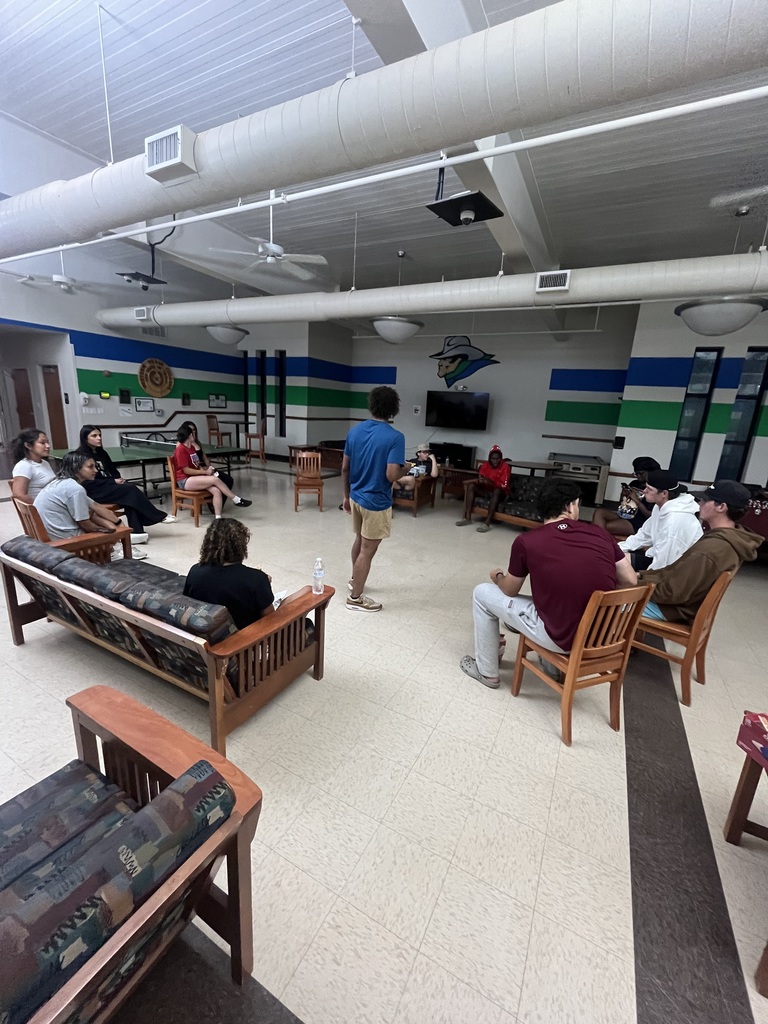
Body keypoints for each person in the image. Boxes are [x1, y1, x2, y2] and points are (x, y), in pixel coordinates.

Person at [461, 478, 637, 688]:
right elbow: (630, 580)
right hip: (602, 636)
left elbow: (509, 590)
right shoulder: (601, 534)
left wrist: (497, 577)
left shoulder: (528, 541)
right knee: (562, 600)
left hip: (559, 638)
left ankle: (487, 671)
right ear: (570, 506)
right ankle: (551, 664)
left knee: (482, 593)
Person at [638, 480, 763, 623]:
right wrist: (641, 576)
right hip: (679, 604)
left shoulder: (712, 548)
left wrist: (636, 583)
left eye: (705, 500)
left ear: (721, 507)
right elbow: (674, 574)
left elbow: (672, 592)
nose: (699, 504)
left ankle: (617, 640)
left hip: (673, 609)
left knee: (611, 601)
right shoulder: (729, 538)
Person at [342, 385, 406, 612]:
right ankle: (356, 598)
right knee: (368, 550)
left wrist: (346, 496)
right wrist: (405, 468)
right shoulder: (395, 437)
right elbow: (392, 474)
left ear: (372, 405)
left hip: (357, 497)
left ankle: (354, 580)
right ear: (393, 410)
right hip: (376, 503)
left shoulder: (354, 432)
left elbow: (345, 468)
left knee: (359, 541)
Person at [33, 452, 146, 559]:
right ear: (76, 468)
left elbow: (95, 505)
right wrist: (112, 533)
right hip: (64, 540)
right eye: (90, 467)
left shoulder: (60, 483)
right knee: (99, 524)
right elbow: (85, 524)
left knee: (93, 514)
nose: (96, 470)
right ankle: (116, 548)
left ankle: (120, 541)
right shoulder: (75, 489)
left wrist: (118, 523)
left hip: (51, 535)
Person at [76, 426, 176, 541]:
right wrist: (112, 481)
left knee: (129, 499)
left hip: (109, 486)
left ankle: (137, 533)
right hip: (95, 490)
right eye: (94, 436)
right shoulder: (81, 456)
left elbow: (113, 471)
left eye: (100, 435)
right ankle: (157, 516)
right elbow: (88, 481)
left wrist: (118, 480)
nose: (99, 438)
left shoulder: (102, 453)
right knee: (130, 490)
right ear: (85, 438)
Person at [183, 519, 274, 629]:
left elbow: (189, 604)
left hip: (209, 637)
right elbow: (271, 621)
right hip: (246, 641)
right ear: (241, 546)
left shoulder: (195, 571)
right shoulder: (256, 579)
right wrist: (263, 586)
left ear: (208, 543)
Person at [618, 469, 702, 570]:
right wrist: (617, 548)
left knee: (617, 562)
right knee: (612, 556)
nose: (644, 491)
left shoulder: (675, 520)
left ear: (664, 493)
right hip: (658, 558)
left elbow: (665, 564)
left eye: (649, 489)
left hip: (677, 570)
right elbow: (645, 535)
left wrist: (643, 579)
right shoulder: (660, 507)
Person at [172, 424, 251, 517]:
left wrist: (206, 469)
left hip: (194, 478)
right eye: (192, 433)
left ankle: (218, 518)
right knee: (215, 479)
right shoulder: (181, 449)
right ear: (190, 436)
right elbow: (186, 470)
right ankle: (236, 499)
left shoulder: (192, 448)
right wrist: (205, 472)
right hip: (184, 480)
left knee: (217, 491)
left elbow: (196, 465)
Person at [592, 456, 660, 538]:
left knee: (603, 527)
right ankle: (598, 540)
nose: (638, 476)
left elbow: (650, 515)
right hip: (627, 514)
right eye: (636, 474)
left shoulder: (655, 488)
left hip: (640, 521)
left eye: (641, 474)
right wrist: (623, 495)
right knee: (599, 512)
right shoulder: (635, 483)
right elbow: (621, 507)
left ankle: (599, 542)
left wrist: (637, 501)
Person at [455, 445, 511, 532]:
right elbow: (481, 477)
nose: (495, 461)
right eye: (493, 458)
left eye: (497, 459)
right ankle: (468, 518)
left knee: (497, 491)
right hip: (487, 491)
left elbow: (504, 485)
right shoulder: (485, 465)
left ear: (501, 458)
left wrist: (491, 482)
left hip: (501, 494)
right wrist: (480, 481)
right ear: (490, 458)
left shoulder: (505, 467)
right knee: (471, 486)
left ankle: (487, 523)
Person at [179, 420, 234, 507]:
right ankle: (230, 500)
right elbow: (189, 466)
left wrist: (209, 467)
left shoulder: (197, 443)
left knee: (228, 479)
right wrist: (203, 471)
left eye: (194, 430)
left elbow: (204, 458)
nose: (193, 432)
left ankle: (218, 504)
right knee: (216, 481)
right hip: (196, 473)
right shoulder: (183, 446)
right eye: (190, 430)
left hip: (204, 469)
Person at [10, 428, 55, 503]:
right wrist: (36, 506)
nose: (48, 446)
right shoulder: (24, 466)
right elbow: (19, 494)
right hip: (43, 509)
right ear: (28, 445)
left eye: (48, 442)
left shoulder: (45, 463)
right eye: (42, 443)